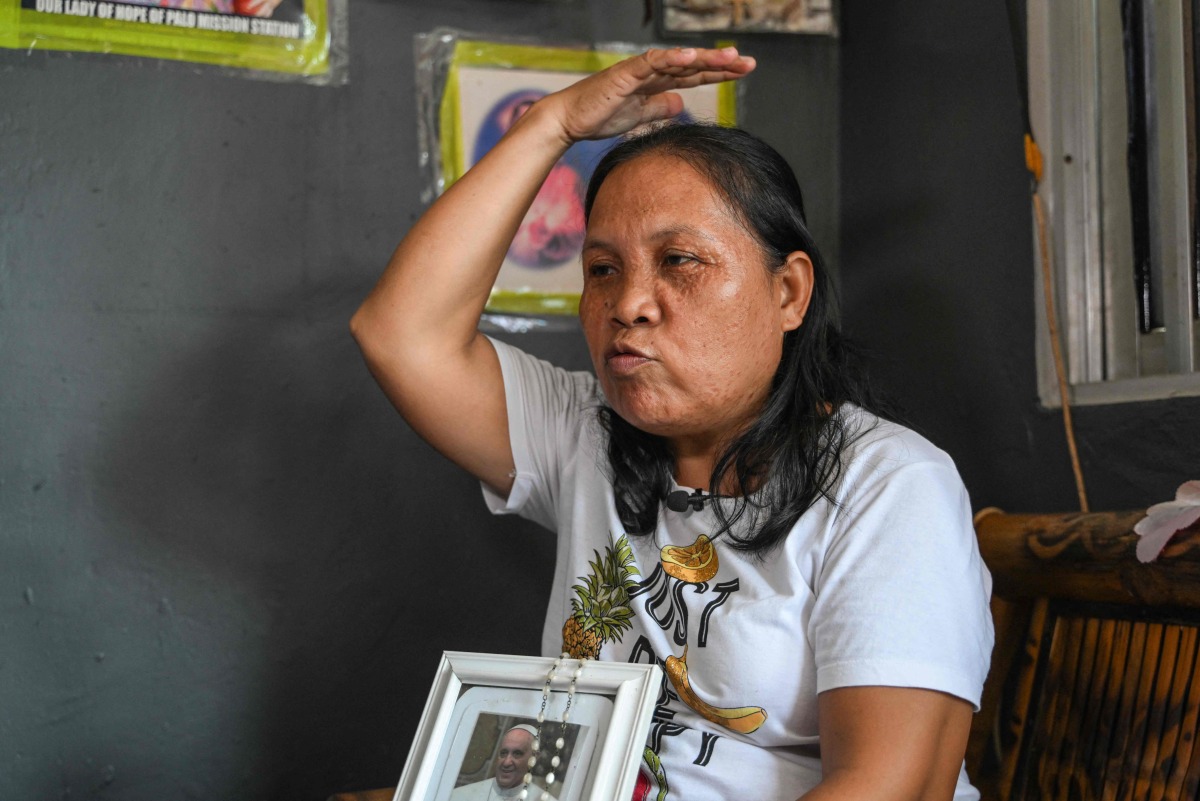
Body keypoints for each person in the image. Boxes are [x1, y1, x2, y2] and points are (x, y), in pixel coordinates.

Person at [352, 46, 994, 801]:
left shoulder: (887, 485)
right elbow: (401, 334)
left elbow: (892, 786)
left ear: (788, 292)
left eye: (681, 260)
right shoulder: (584, 436)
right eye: (603, 269)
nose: (630, 304)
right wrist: (555, 124)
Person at [449, 725, 560, 801]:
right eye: (503, 753)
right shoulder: (458, 796)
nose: (506, 762)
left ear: (534, 758)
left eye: (517, 753)